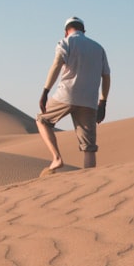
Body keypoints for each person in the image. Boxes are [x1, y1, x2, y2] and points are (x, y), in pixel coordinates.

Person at [37, 16, 111, 171]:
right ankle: (89, 182)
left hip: (66, 96)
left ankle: (56, 158)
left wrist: (45, 91)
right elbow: (106, 76)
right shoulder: (99, 48)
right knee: (89, 147)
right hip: (89, 101)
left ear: (66, 31)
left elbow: (57, 64)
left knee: (42, 120)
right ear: (84, 30)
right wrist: (103, 102)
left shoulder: (66, 42)